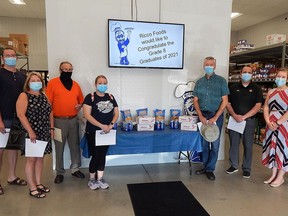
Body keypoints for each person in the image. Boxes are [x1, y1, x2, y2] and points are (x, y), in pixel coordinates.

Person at [46, 61, 85, 184]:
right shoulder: (53, 83)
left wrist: (80, 106)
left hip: (73, 120)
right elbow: (48, 105)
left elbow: (82, 101)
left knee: (75, 146)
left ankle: (75, 168)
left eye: (70, 69)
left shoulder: (76, 85)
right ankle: (59, 172)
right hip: (58, 121)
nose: (67, 71)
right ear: (60, 70)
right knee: (59, 148)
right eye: (65, 69)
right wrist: (51, 126)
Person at [16, 72, 54, 198]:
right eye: (33, 80)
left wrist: (51, 128)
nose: (36, 82)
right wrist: (30, 131)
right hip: (31, 131)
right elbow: (21, 115)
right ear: (28, 83)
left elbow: (50, 112)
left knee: (40, 158)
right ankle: (32, 187)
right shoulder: (24, 96)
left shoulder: (44, 96)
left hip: (44, 131)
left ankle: (38, 183)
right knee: (31, 159)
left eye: (38, 80)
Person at [193, 56, 229, 180]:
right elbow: (195, 100)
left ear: (215, 66)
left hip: (216, 116)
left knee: (214, 144)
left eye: (211, 64)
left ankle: (210, 169)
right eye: (206, 64)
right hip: (203, 115)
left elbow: (225, 101)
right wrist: (200, 115)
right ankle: (205, 166)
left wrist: (216, 117)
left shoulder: (221, 81)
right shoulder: (199, 82)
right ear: (204, 66)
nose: (208, 66)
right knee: (204, 143)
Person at [226, 65, 263, 178]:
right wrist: (234, 115)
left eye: (249, 72)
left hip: (249, 121)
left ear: (252, 74)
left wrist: (244, 116)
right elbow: (228, 104)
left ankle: (246, 168)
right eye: (244, 72)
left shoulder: (256, 88)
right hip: (234, 120)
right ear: (241, 73)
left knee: (248, 145)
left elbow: (257, 106)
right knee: (233, 144)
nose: (247, 74)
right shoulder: (232, 87)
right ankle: (233, 165)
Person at [83, 75, 119, 190]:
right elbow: (87, 115)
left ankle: (100, 178)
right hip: (93, 131)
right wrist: (101, 126)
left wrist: (111, 124)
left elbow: (116, 113)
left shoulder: (111, 97)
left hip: (107, 132)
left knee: (102, 155)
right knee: (95, 155)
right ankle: (92, 179)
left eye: (104, 83)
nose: (102, 85)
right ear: (96, 84)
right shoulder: (90, 97)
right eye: (100, 83)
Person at [0, 48, 27, 195]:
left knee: (13, 149)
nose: (11, 58)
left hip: (18, 119)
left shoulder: (21, 76)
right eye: (7, 55)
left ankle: (12, 176)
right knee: (0, 150)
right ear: (3, 58)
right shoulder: (0, 74)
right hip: (4, 118)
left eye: (13, 55)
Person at [262, 68, 288, 187]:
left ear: (287, 79)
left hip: (284, 124)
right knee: (271, 147)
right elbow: (266, 107)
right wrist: (268, 121)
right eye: (278, 76)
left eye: (283, 77)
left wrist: (278, 123)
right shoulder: (271, 91)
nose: (280, 79)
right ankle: (273, 174)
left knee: (282, 148)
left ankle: (280, 176)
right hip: (270, 123)